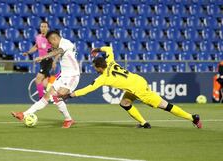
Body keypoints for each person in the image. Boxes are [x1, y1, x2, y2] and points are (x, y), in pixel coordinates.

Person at [60, 45, 202, 129]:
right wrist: (98, 49)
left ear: (99, 67)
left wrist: (70, 95)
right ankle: (144, 123)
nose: (94, 70)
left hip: (138, 89)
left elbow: (87, 89)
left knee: (165, 106)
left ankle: (193, 118)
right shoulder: (110, 61)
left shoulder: (103, 78)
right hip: (137, 81)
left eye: (95, 67)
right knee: (124, 103)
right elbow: (109, 48)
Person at [12, 31, 80, 128]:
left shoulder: (65, 43)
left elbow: (58, 51)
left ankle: (68, 119)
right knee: (47, 96)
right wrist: (53, 54)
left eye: (51, 43)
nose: (51, 45)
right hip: (63, 76)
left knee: (57, 97)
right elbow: (57, 51)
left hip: (72, 76)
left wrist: (43, 57)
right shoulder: (62, 44)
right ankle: (24, 114)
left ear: (54, 39)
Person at [22, 21, 54, 99]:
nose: (43, 28)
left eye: (45, 26)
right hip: (41, 62)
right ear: (40, 28)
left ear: (48, 28)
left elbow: (56, 50)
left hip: (48, 61)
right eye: (42, 26)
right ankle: (58, 94)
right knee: (45, 83)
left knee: (38, 79)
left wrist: (54, 61)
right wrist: (28, 52)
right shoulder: (38, 37)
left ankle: (41, 99)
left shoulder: (51, 38)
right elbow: (36, 46)